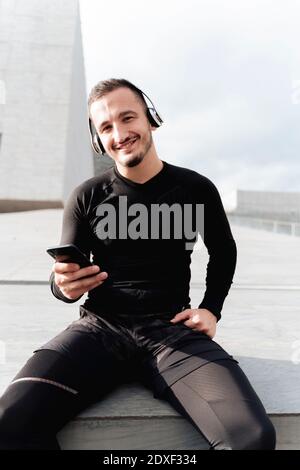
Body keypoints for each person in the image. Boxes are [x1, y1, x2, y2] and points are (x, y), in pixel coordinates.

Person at [0, 78, 276, 450]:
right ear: (99, 140)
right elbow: (66, 274)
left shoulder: (195, 189)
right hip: (99, 330)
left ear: (151, 119)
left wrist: (211, 309)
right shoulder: (87, 196)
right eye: (106, 127)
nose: (119, 133)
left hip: (172, 333)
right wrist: (62, 286)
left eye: (127, 118)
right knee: (9, 424)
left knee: (252, 439)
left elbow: (224, 252)